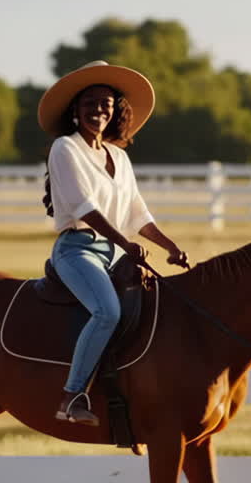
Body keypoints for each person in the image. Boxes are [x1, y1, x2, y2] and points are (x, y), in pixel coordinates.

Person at [37, 60, 189, 426]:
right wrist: (124, 242)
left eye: (106, 104)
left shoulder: (119, 157)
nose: (98, 111)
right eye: (90, 103)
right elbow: (84, 207)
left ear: (115, 111)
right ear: (75, 110)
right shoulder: (64, 148)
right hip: (77, 249)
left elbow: (138, 212)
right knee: (107, 312)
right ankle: (72, 396)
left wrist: (169, 245)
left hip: (117, 252)